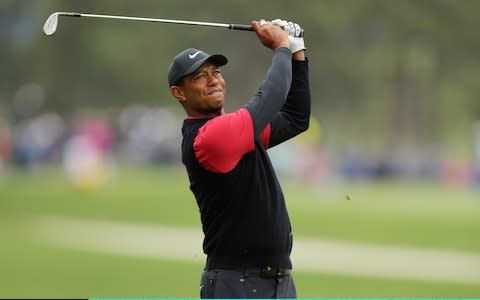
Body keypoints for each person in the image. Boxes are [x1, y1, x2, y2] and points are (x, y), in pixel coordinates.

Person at [167, 18, 310, 298]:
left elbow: (295, 118)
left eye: (216, 72)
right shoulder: (209, 138)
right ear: (178, 92)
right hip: (239, 284)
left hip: (277, 283)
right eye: (199, 77)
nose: (213, 80)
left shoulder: (236, 133)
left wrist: (297, 52)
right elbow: (271, 97)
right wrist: (281, 47)